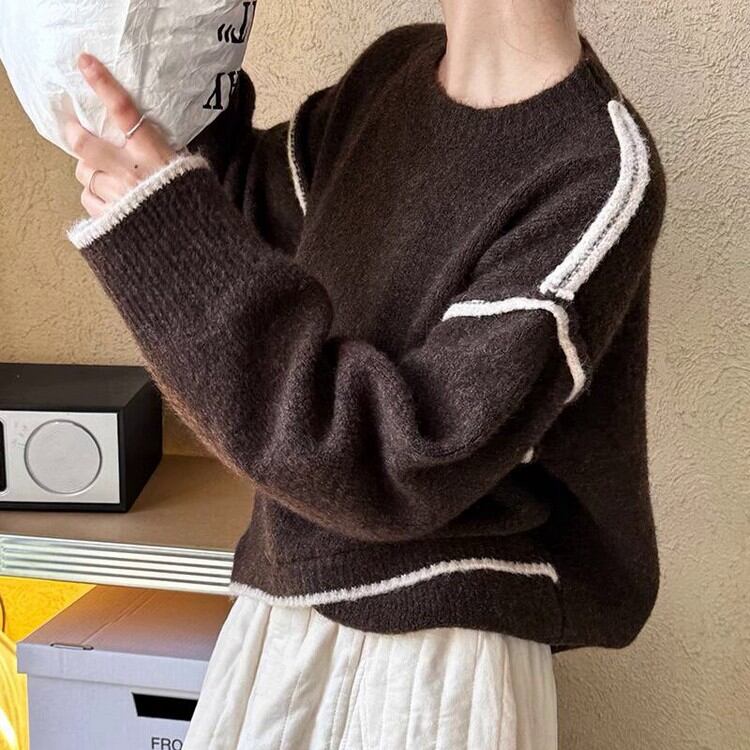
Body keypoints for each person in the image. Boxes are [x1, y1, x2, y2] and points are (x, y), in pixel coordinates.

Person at [64, 1, 666, 747]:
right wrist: (175, 74)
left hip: (431, 665)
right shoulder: (392, 73)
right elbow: (242, 217)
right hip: (282, 615)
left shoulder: (598, 170)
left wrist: (167, 232)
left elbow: (396, 464)